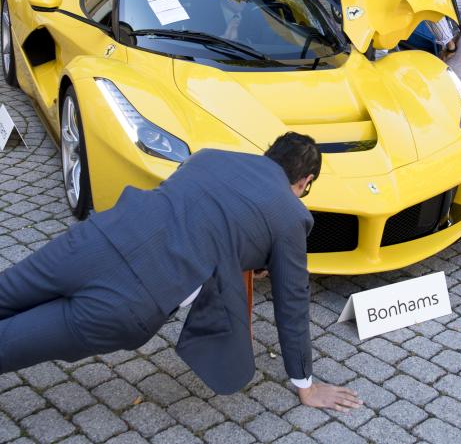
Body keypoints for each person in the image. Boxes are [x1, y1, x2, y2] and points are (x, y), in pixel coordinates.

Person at [0, 133, 362, 411]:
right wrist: (306, 384)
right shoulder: (292, 216)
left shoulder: (209, 157)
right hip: (132, 300)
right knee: (13, 343)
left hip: (94, 242)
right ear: (305, 181)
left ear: (268, 153)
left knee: (7, 291)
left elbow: (196, 214)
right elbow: (292, 303)